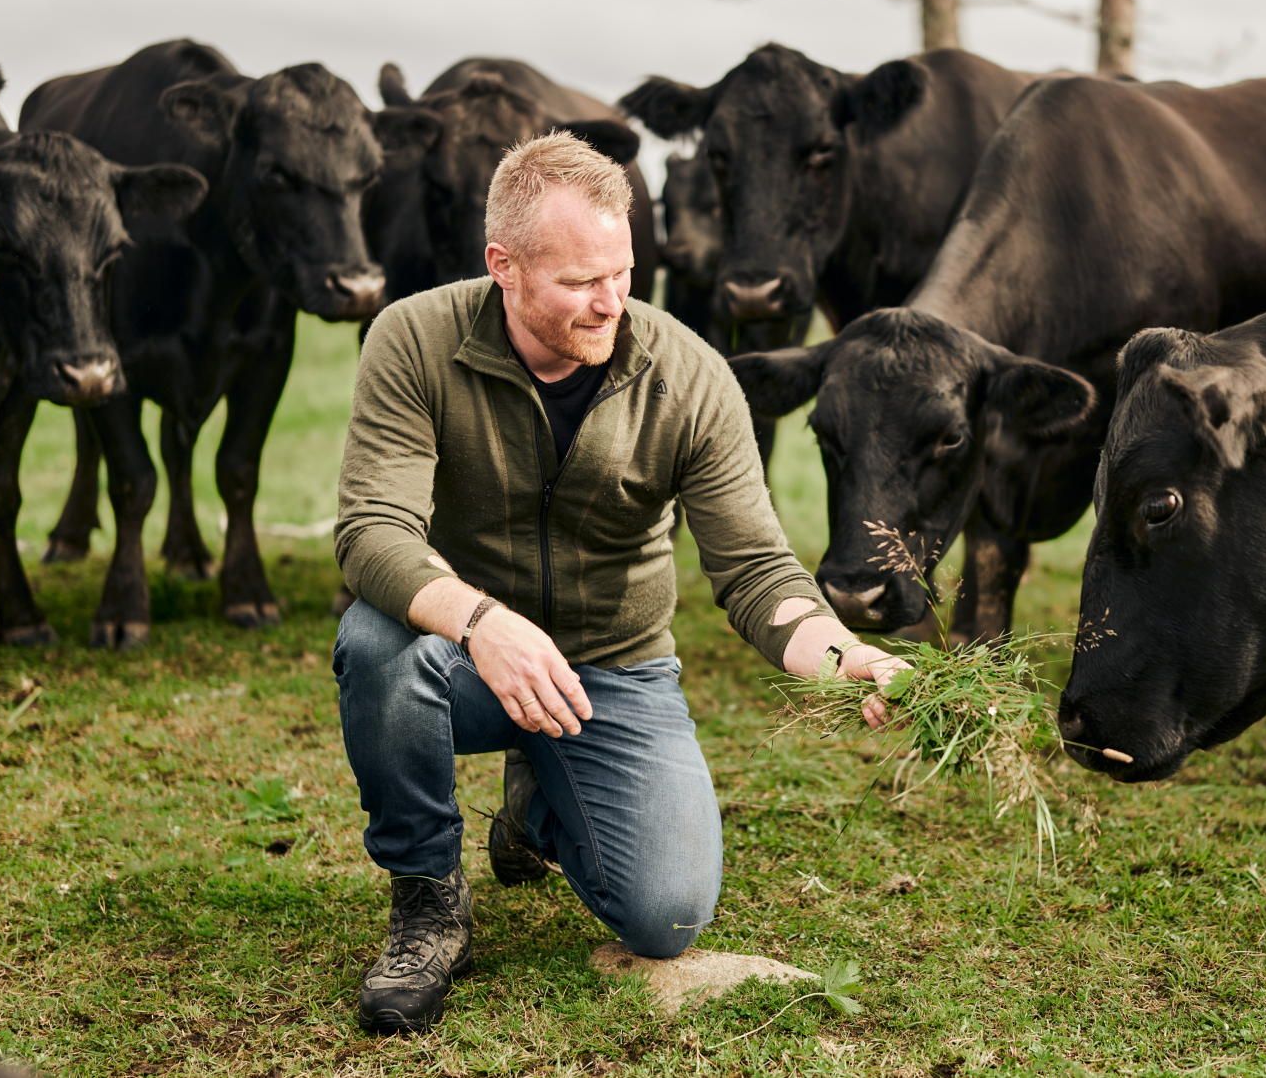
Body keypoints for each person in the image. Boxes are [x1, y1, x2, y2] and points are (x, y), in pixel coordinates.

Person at [332, 132, 904, 1035]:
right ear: (505, 267)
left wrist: (842, 653)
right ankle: (427, 900)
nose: (611, 303)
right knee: (376, 642)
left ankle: (537, 803)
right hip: (464, 656)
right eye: (579, 282)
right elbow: (374, 532)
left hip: (614, 671)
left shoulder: (690, 375)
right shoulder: (415, 337)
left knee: (666, 916)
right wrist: (483, 623)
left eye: (623, 272)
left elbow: (755, 567)